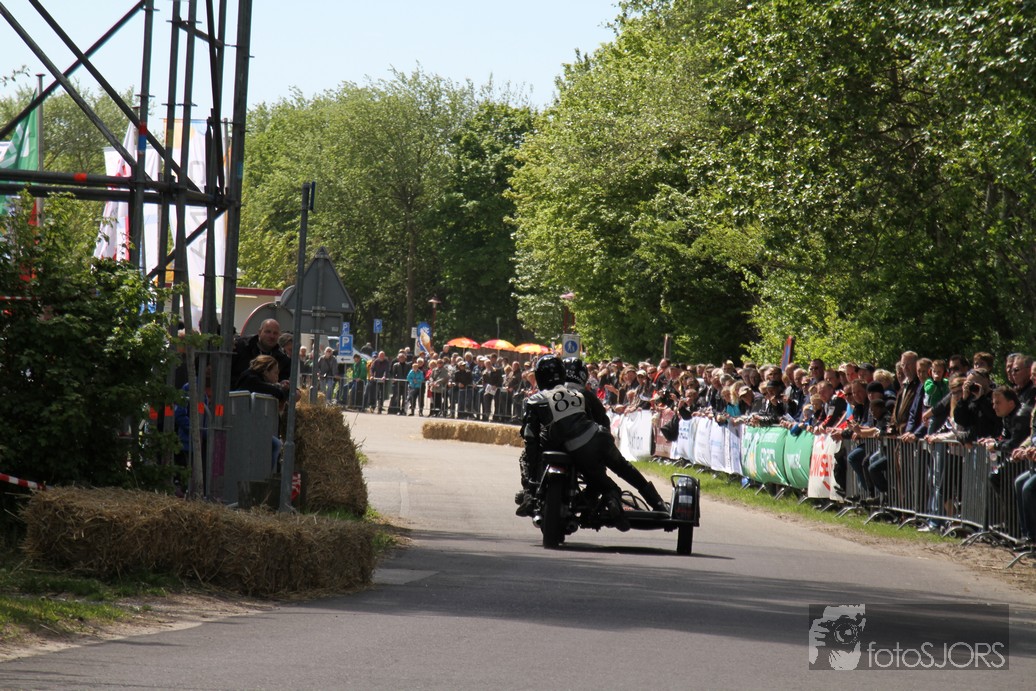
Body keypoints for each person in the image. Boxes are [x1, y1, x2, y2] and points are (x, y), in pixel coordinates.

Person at [516, 356, 633, 531]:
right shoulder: (581, 395)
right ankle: (603, 497)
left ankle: (529, 494)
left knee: (527, 456)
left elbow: (528, 432)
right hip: (582, 447)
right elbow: (601, 422)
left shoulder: (536, 398)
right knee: (596, 467)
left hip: (551, 446)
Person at [557, 357, 668, 512]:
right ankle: (656, 502)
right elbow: (603, 421)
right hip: (590, 444)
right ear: (583, 375)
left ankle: (607, 496)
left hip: (562, 446)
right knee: (622, 468)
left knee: (602, 469)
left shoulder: (552, 395)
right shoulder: (585, 394)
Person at [231, 319, 290, 385]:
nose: (272, 336)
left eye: (275, 333)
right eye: (268, 332)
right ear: (259, 332)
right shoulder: (240, 346)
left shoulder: (282, 359)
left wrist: (283, 384)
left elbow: (283, 380)